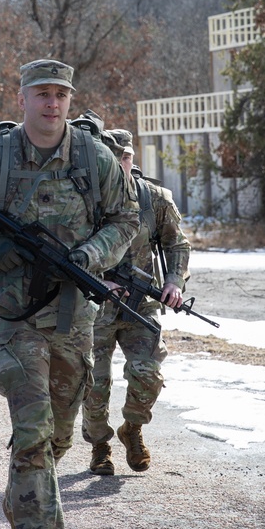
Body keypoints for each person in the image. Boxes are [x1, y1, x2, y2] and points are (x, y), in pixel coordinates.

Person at [0, 59, 139, 529]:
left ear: (69, 100)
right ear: (22, 98)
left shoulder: (94, 157)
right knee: (33, 433)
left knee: (59, 437)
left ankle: (22, 506)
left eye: (60, 95)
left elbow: (126, 217)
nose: (51, 103)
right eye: (42, 94)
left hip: (72, 316)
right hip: (15, 314)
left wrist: (89, 256)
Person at [81, 128, 190, 476]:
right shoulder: (83, 199)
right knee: (94, 383)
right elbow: (67, 254)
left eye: (126, 157)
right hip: (95, 305)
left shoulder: (153, 198)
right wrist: (100, 282)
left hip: (141, 305)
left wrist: (173, 282)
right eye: (114, 159)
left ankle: (133, 429)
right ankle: (99, 445)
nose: (121, 164)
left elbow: (177, 244)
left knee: (148, 374)